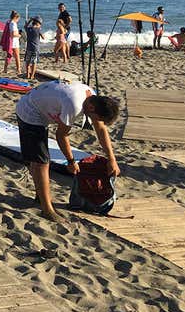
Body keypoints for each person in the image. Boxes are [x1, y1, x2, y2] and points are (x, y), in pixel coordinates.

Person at [15, 81, 120, 221]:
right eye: (95, 118)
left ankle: (40, 196)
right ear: (91, 107)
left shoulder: (93, 98)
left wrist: (112, 159)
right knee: (41, 162)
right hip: (30, 110)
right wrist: (70, 161)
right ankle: (47, 209)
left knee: (37, 159)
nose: (94, 121)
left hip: (42, 106)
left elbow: (101, 129)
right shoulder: (74, 104)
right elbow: (61, 135)